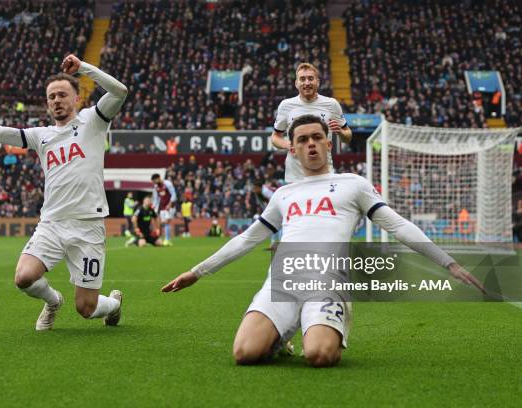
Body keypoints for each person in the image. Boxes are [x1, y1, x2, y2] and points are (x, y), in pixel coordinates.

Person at [163, 115, 484, 367]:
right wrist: (197, 272)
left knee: (319, 355)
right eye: (303, 140)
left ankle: (319, 325)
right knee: (244, 353)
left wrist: (449, 262)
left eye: (317, 137)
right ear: (293, 149)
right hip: (284, 278)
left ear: (329, 144)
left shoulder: (353, 184)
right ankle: (282, 338)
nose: (311, 144)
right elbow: (247, 239)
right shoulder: (283, 195)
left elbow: (398, 226)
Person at [0, 54, 128, 330]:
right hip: (52, 223)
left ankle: (113, 304)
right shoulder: (41, 135)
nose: (56, 100)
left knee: (86, 308)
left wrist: (84, 68)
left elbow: (120, 91)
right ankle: (52, 301)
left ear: (77, 99)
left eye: (63, 94)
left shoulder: (93, 121)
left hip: (88, 225)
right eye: (51, 97)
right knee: (23, 277)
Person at [271, 63, 352, 182]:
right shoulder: (286, 106)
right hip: (295, 177)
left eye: (310, 78)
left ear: (317, 82)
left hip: (324, 175)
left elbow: (348, 136)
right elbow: (275, 137)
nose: (307, 83)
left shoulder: (331, 104)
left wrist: (340, 132)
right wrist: (287, 144)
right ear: (296, 83)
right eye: (302, 79)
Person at [151, 173, 177, 246]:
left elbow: (174, 194)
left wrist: (170, 204)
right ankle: (165, 239)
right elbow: (156, 199)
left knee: (166, 222)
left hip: (170, 207)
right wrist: (153, 207)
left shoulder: (167, 183)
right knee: (163, 223)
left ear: (158, 178)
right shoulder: (156, 187)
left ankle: (167, 239)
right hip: (162, 207)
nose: (154, 183)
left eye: (155, 181)